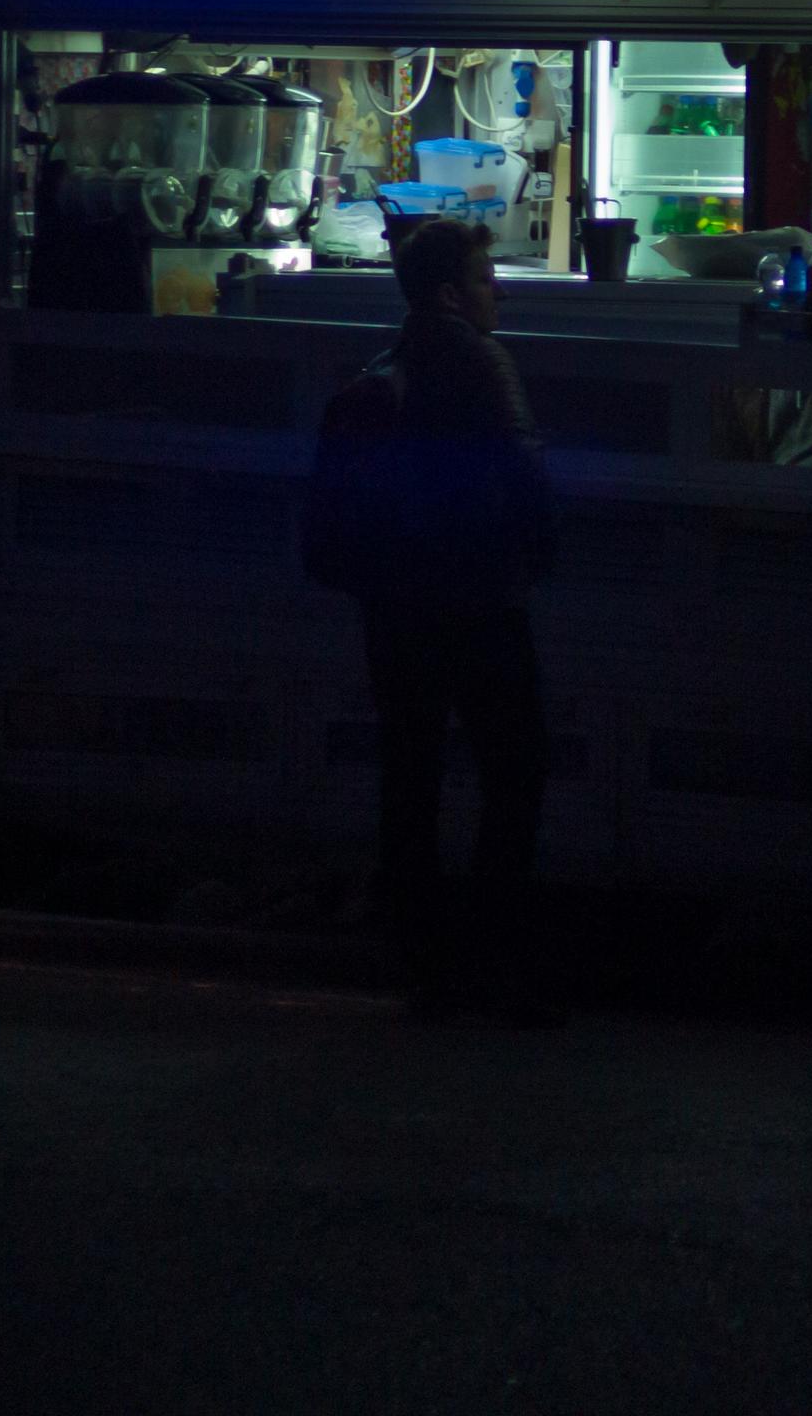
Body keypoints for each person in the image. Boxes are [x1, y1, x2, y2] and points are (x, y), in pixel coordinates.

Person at [306, 217, 562, 1023]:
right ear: (453, 290)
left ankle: (419, 956)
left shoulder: (386, 365)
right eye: (488, 279)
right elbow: (524, 475)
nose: (499, 294)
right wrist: (540, 558)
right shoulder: (483, 362)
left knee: (410, 776)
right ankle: (494, 960)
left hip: (396, 607)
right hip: (479, 603)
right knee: (514, 775)